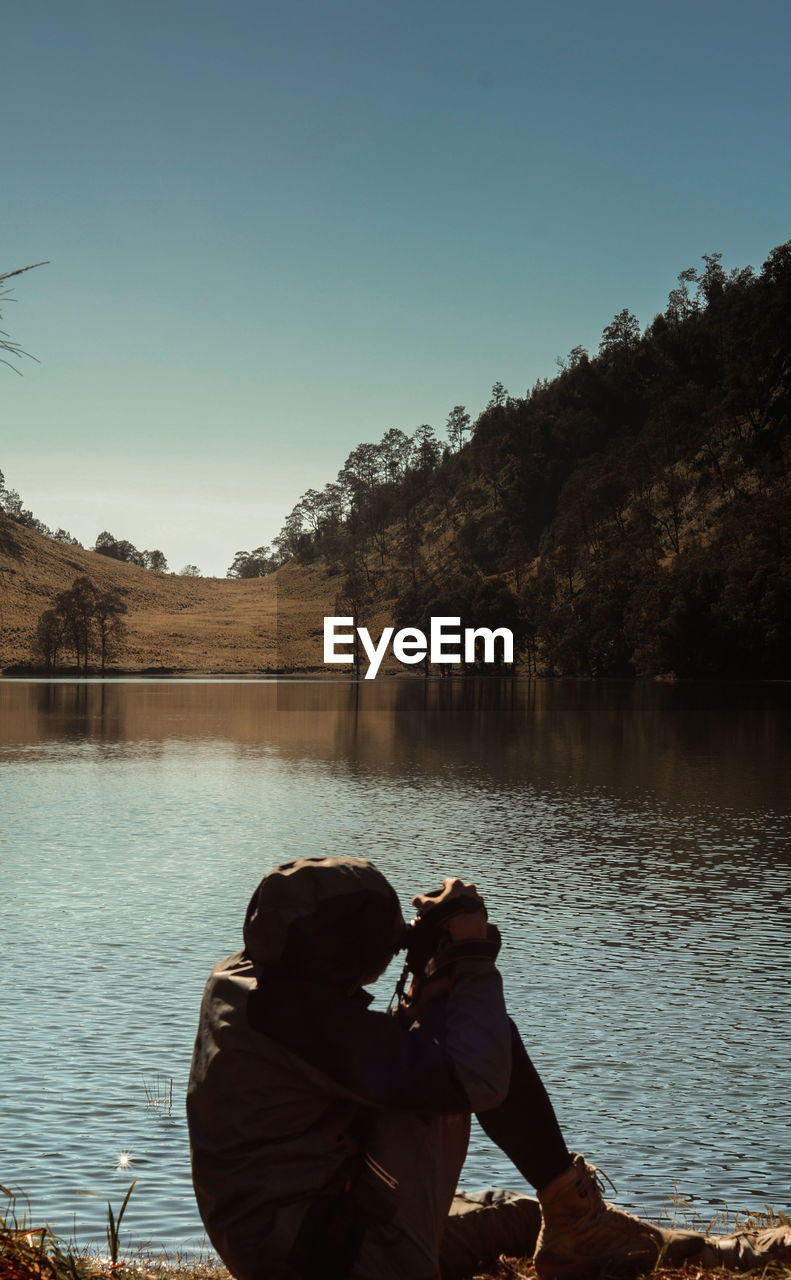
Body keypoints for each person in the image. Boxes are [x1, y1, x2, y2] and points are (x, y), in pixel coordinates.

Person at [185, 857, 770, 1280]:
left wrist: (429, 978)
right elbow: (476, 1078)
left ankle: (583, 1222)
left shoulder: (253, 978)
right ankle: (590, 1226)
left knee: (513, 1217)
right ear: (340, 954)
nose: (397, 946)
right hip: (332, 1259)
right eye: (384, 942)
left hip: (289, 1236)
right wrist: (468, 957)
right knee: (480, 1043)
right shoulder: (293, 1017)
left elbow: (375, 1056)